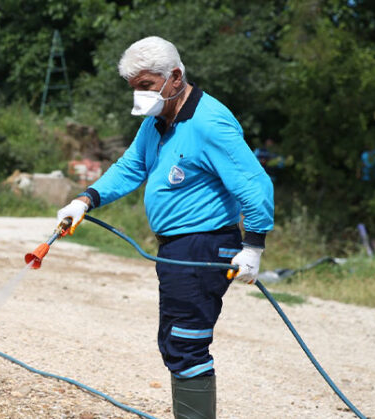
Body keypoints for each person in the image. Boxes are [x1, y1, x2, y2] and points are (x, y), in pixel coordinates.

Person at [56, 36, 274, 419]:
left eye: (145, 86)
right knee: (175, 341)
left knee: (187, 343)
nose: (140, 97)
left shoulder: (210, 123)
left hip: (204, 247)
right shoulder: (159, 120)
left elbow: (255, 185)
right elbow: (131, 167)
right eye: (134, 89)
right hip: (176, 249)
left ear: (174, 77)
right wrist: (85, 199)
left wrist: (253, 246)